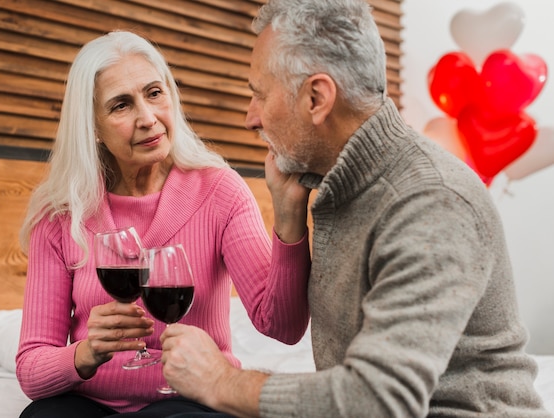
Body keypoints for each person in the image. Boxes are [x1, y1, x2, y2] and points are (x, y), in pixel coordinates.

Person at [159, 0, 552, 417]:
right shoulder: (338, 186)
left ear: (317, 98)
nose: (249, 118)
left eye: (259, 94)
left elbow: (375, 400)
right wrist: (288, 215)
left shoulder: (430, 202)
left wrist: (221, 380)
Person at [15, 30, 311, 418]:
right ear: (93, 128)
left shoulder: (221, 191)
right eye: (121, 106)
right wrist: (86, 353)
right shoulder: (60, 216)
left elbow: (282, 328)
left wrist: (289, 215)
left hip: (189, 401)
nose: (147, 118)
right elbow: (31, 370)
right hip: (88, 402)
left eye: (154, 93)